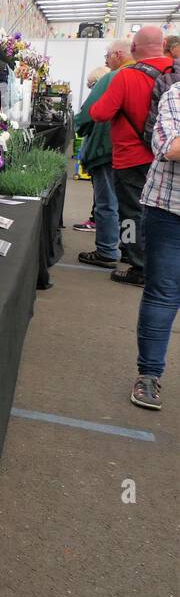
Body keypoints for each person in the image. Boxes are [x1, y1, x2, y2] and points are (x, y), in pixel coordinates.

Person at [90, 25, 174, 285]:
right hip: (169, 158)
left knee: (131, 215)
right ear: (163, 45)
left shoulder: (127, 76)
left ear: (134, 49)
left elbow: (99, 113)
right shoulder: (175, 71)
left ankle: (136, 264)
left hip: (132, 157)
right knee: (165, 216)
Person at [130, 82, 180, 410]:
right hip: (169, 210)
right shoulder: (176, 94)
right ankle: (149, 374)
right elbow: (172, 147)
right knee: (163, 293)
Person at [74, 40, 132, 266]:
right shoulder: (147, 77)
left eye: (107, 56)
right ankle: (129, 248)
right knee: (131, 207)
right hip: (135, 153)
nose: (106, 61)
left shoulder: (112, 77)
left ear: (117, 55)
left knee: (106, 203)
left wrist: (80, 127)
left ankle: (107, 251)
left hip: (107, 150)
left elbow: (88, 114)